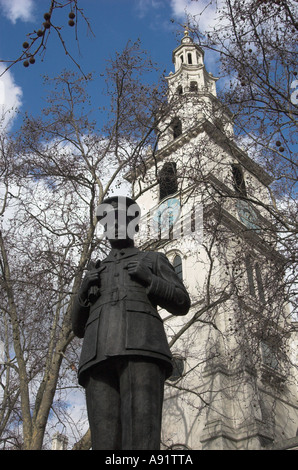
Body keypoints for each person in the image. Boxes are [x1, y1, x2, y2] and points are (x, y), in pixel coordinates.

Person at [71, 196, 190, 450]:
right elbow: (77, 328)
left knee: (141, 442)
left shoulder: (152, 259)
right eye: (108, 222)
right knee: (104, 445)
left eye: (121, 220)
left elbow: (182, 302)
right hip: (97, 356)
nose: (114, 226)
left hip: (142, 350)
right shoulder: (96, 272)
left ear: (134, 225)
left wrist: (149, 280)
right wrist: (84, 290)